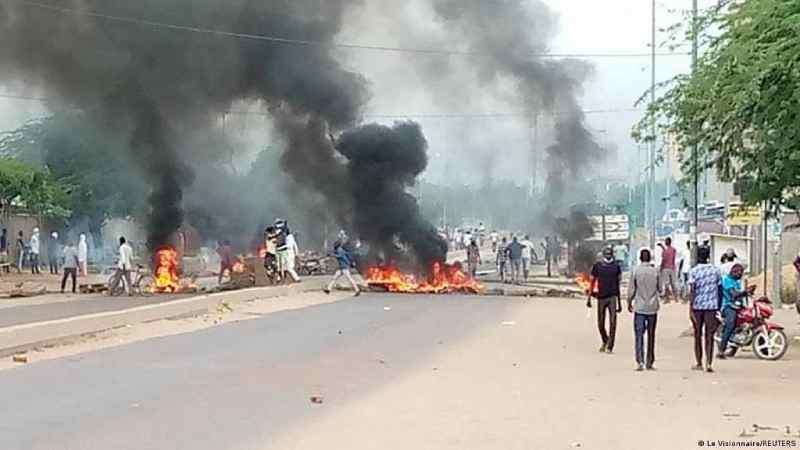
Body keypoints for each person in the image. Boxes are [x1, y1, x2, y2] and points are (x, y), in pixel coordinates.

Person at [687, 245, 722, 373]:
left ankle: (699, 362)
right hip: (711, 307)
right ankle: (709, 362)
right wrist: (719, 306)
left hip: (697, 306)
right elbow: (720, 289)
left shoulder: (694, 271)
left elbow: (692, 290)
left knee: (697, 335)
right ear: (708, 256)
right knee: (709, 335)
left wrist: (690, 308)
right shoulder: (715, 271)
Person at [627, 248, 662, 371]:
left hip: (639, 307)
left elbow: (632, 289)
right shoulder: (655, 271)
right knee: (651, 335)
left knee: (639, 335)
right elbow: (660, 289)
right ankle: (650, 361)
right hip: (652, 307)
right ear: (650, 258)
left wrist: (628, 301)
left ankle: (640, 361)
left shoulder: (635, 271)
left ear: (640, 258)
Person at [718, 263, 755, 359]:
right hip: (728, 306)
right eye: (739, 273)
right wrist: (745, 292)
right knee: (731, 324)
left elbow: (740, 295)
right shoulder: (726, 280)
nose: (741, 275)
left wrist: (748, 292)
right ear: (734, 272)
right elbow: (733, 294)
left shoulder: (736, 282)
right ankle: (721, 350)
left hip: (738, 306)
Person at [589, 247, 622, 353]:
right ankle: (605, 340)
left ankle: (610, 346)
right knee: (600, 324)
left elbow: (618, 284)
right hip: (601, 297)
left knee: (613, 322)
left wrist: (619, 302)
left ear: (612, 254)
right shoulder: (597, 266)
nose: (608, 256)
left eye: (609, 254)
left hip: (612, 297)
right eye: (606, 254)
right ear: (603, 255)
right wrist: (589, 297)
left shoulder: (616, 267)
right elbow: (592, 281)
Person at [659, 237, 678, 303]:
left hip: (666, 268)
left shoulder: (665, 251)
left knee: (666, 284)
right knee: (673, 284)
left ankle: (667, 299)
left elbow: (663, 259)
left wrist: (661, 268)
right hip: (672, 268)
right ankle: (676, 298)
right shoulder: (674, 250)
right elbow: (673, 259)